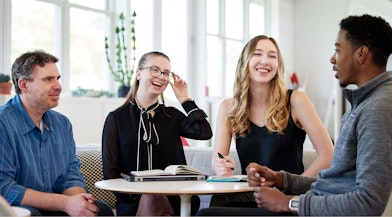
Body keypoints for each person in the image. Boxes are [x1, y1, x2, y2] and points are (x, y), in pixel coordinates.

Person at [197, 14, 392, 216]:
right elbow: (335, 183)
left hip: (302, 205)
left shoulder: (381, 108)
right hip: (299, 200)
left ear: (361, 54)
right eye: (257, 54)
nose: (331, 58)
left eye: (338, 50)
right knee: (217, 204)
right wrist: (280, 179)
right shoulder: (363, 105)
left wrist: (289, 201)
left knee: (207, 215)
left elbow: (367, 203)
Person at [209, 35, 334, 207]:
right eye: (257, 54)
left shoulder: (296, 100)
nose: (265, 61)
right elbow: (219, 161)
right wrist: (222, 168)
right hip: (247, 194)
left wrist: (293, 188)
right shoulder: (228, 107)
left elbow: (329, 155)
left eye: (272, 56)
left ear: (278, 65)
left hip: (285, 198)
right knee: (213, 207)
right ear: (245, 61)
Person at [0, 50, 113, 216]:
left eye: (57, 79)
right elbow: (5, 188)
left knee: (100, 211)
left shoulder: (62, 123)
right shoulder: (3, 123)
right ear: (24, 85)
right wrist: (65, 203)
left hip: (56, 205)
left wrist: (79, 202)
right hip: (18, 206)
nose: (58, 86)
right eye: (48, 79)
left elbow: (70, 175)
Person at [102, 51, 213, 216]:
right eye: (155, 70)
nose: (161, 76)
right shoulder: (116, 119)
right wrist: (140, 195)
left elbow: (204, 132)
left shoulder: (173, 116)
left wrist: (185, 99)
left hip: (176, 198)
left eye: (166, 73)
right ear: (139, 73)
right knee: (150, 200)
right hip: (133, 201)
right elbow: (110, 173)